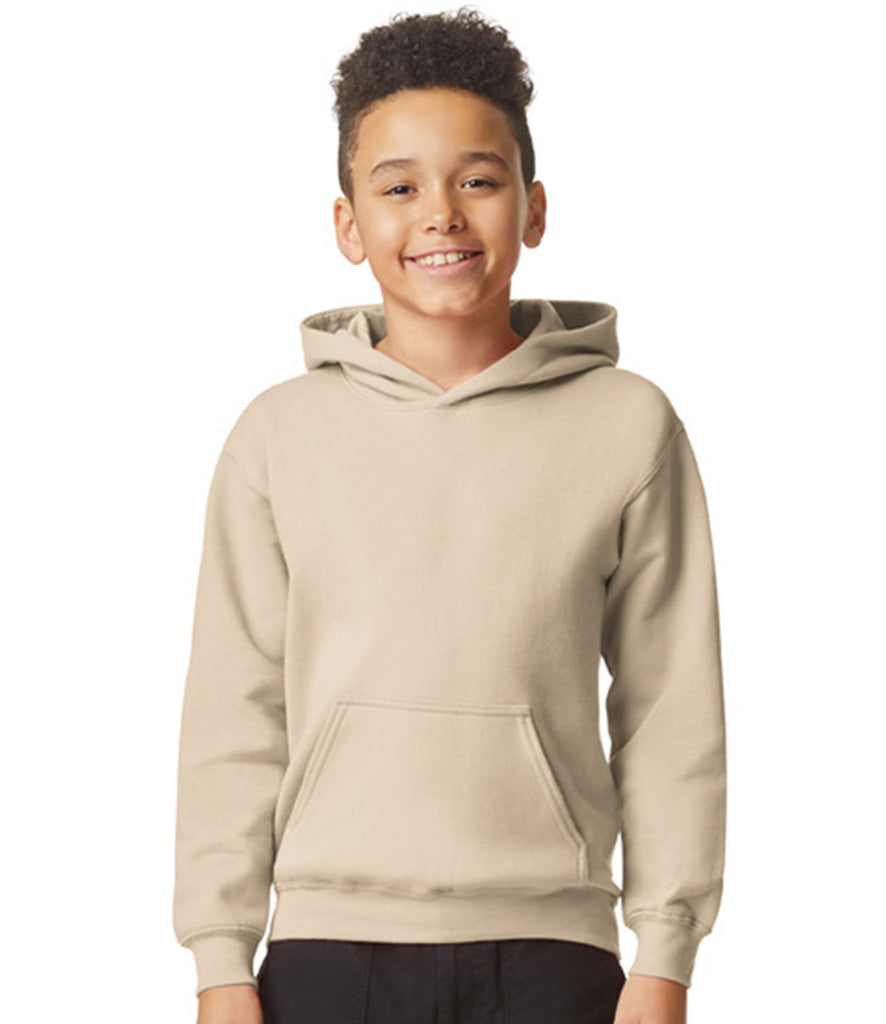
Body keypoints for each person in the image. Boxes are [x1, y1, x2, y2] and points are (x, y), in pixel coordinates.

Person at [172, 8, 727, 1024]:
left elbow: (669, 709)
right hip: (325, 953)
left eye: (477, 180)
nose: (440, 214)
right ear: (349, 225)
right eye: (399, 188)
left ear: (533, 207)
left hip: (553, 954)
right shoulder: (277, 436)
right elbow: (234, 713)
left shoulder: (627, 424)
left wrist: (666, 956)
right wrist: (219, 961)